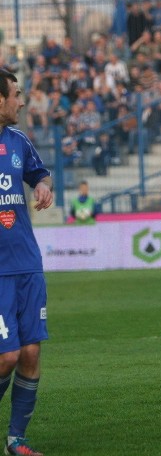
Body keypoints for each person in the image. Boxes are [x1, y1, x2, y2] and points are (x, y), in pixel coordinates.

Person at [0, 67, 55, 456]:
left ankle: (17, 440)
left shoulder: (18, 141)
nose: (21, 101)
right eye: (16, 94)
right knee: (7, 357)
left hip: (27, 262)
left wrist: (41, 185)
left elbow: (41, 174)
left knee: (31, 353)